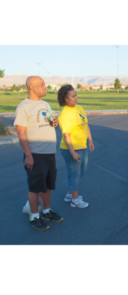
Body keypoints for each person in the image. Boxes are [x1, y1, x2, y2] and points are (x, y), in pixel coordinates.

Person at [14, 76, 63, 231]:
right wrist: (28, 155)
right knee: (35, 187)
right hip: (35, 153)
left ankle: (47, 211)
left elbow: (50, 121)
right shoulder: (24, 106)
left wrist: (54, 122)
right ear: (31, 87)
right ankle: (34, 216)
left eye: (44, 84)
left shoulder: (45, 104)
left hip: (49, 152)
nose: (45, 87)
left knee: (48, 185)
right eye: (41, 85)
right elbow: (21, 133)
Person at [57, 85, 94, 208]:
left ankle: (70, 194)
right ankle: (75, 200)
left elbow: (85, 125)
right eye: (73, 96)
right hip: (71, 149)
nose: (76, 98)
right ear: (65, 99)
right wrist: (72, 152)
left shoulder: (79, 108)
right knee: (75, 174)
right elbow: (66, 136)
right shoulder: (65, 114)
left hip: (82, 147)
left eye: (76, 95)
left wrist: (90, 140)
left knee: (80, 172)